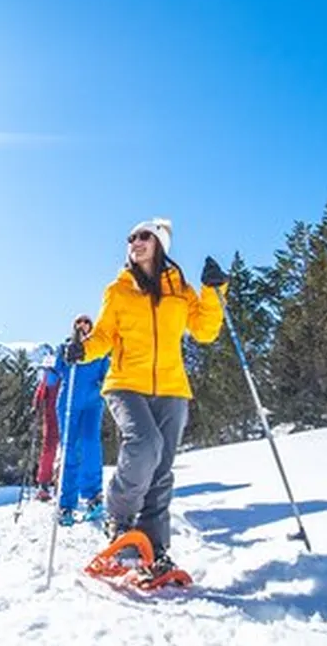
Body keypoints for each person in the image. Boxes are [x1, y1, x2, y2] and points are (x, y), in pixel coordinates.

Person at [64, 217, 227, 580]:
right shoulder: (118, 290)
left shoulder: (180, 289)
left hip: (171, 388)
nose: (134, 242)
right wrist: (83, 349)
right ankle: (119, 524)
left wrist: (214, 291)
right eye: (131, 238)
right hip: (126, 382)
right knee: (144, 445)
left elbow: (204, 331)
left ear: (160, 244)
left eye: (143, 236)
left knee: (162, 468)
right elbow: (104, 335)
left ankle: (156, 546)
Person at [54, 315, 110, 526]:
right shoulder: (65, 347)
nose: (83, 326)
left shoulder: (100, 348)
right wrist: (66, 359)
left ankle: (93, 497)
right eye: (79, 323)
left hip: (92, 403)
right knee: (70, 449)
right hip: (69, 404)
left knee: (90, 445)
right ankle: (66, 503)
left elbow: (107, 372)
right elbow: (58, 370)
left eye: (87, 323)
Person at [32, 354, 60, 501]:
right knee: (49, 449)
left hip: (62, 417)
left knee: (63, 451)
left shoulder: (63, 380)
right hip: (50, 419)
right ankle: (43, 484)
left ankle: (57, 482)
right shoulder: (47, 381)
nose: (47, 374)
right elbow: (40, 392)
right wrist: (36, 405)